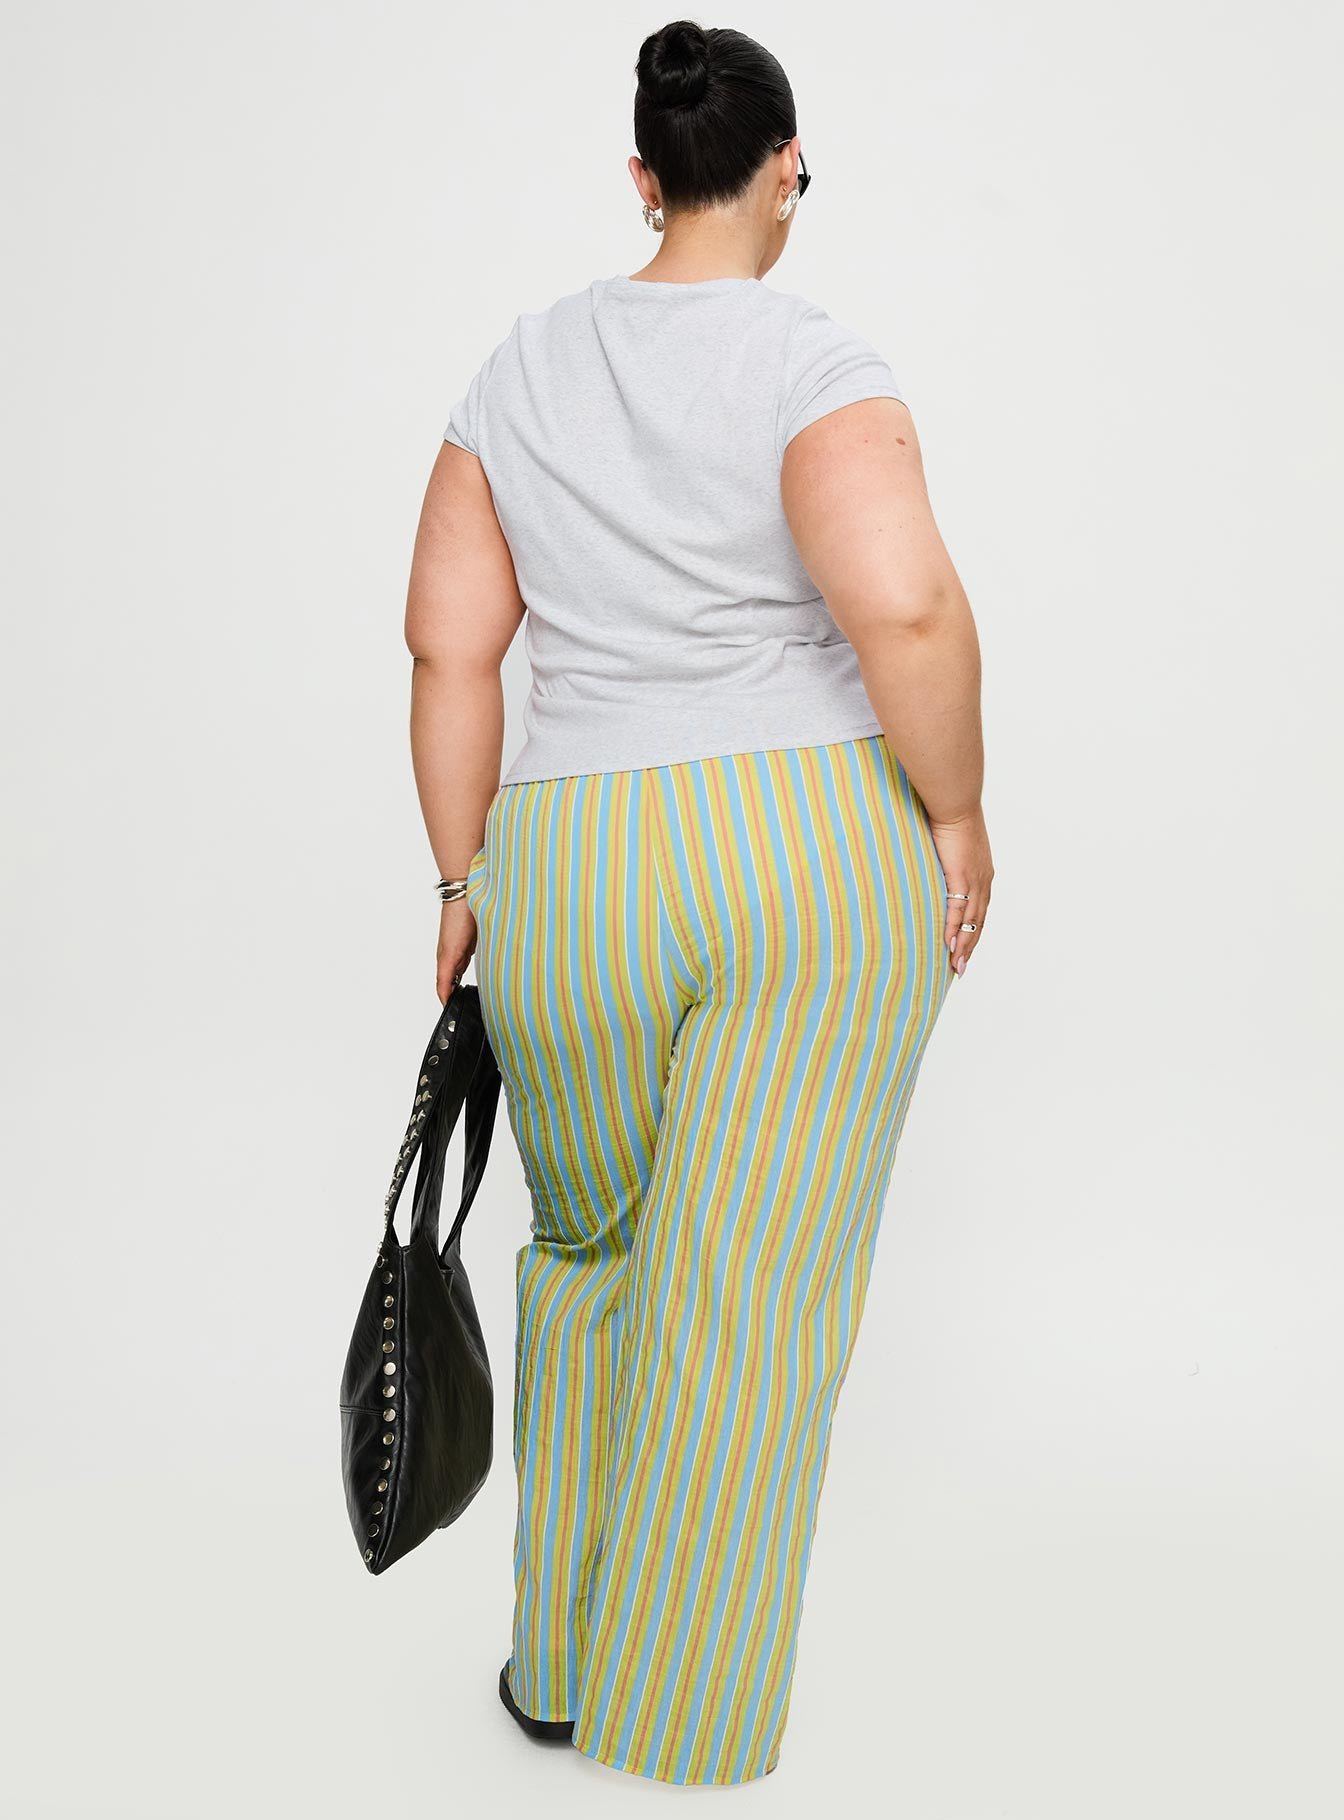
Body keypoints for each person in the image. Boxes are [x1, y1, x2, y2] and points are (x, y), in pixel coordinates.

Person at [402, 16, 993, 1788]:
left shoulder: (520, 370)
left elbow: (449, 648)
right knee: (750, 1294)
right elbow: (902, 605)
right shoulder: (812, 362)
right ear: (787, 167)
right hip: (801, 852)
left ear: (645, 177)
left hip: (566, 859)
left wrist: (461, 875)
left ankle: (562, 1671)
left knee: (591, 1254)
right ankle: (680, 1726)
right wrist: (957, 812)